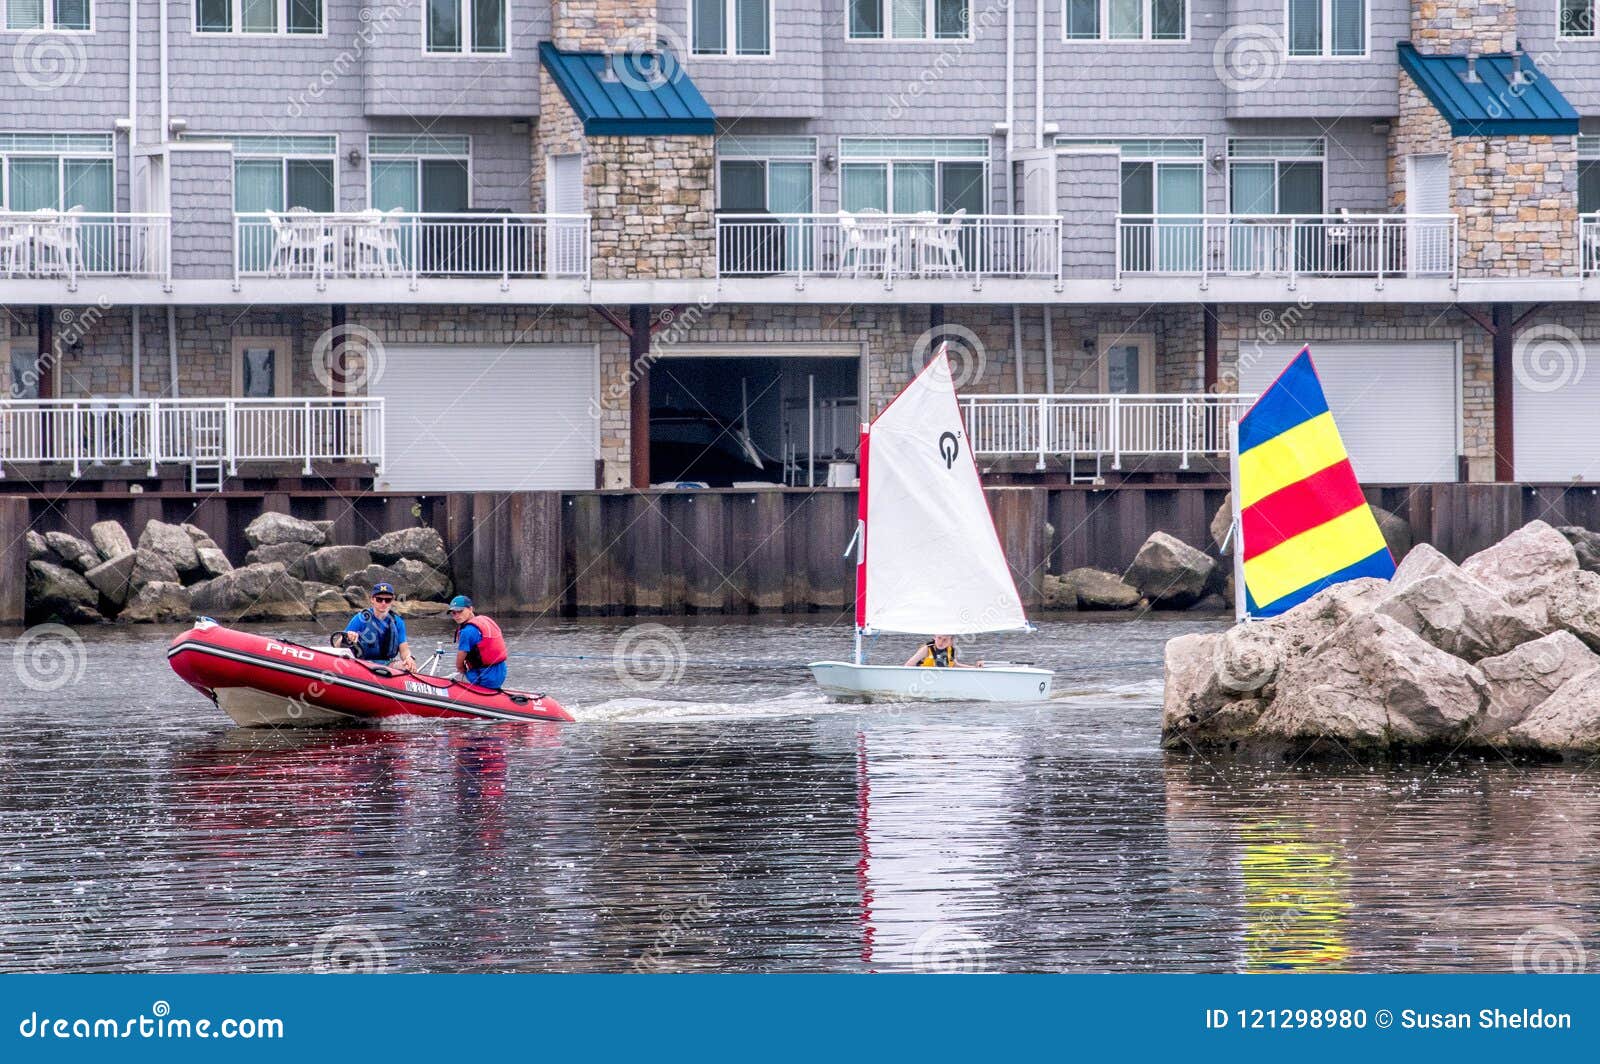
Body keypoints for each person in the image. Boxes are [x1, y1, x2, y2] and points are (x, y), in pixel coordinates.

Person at [338, 582, 417, 671]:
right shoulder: (360, 618)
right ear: (372, 599)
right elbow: (337, 645)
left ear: (392, 600)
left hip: (387, 664)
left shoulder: (398, 622)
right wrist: (347, 638)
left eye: (387, 600)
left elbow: (404, 651)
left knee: (407, 666)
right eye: (379, 599)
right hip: (362, 663)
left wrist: (408, 658)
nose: (383, 603)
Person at [449, 595, 508, 690]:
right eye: (453, 613)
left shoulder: (467, 631)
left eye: (460, 611)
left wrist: (461, 670)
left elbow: (460, 664)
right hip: (500, 674)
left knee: (449, 680)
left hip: (484, 677)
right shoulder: (485, 620)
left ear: (470, 609)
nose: (457, 616)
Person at [904, 633, 980, 669]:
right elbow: (908, 665)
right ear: (934, 637)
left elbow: (954, 665)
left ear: (951, 641)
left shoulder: (952, 650)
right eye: (939, 638)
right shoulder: (926, 649)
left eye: (945, 640)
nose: (940, 643)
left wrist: (974, 668)